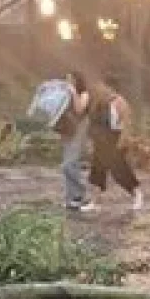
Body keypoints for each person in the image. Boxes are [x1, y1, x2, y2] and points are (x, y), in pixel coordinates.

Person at [87, 76, 144, 211]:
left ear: (109, 86)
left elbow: (126, 122)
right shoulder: (99, 102)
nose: (99, 88)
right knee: (97, 171)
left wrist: (123, 140)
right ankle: (95, 201)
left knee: (119, 170)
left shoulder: (119, 102)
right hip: (100, 139)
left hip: (114, 138)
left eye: (101, 85)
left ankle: (137, 194)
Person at [50, 72, 93, 211]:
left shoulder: (84, 94)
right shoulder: (65, 95)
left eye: (70, 79)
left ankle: (82, 196)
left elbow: (79, 110)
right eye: (66, 79)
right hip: (68, 131)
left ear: (77, 81)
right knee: (69, 165)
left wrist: (73, 92)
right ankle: (71, 198)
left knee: (69, 164)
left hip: (79, 130)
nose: (68, 81)